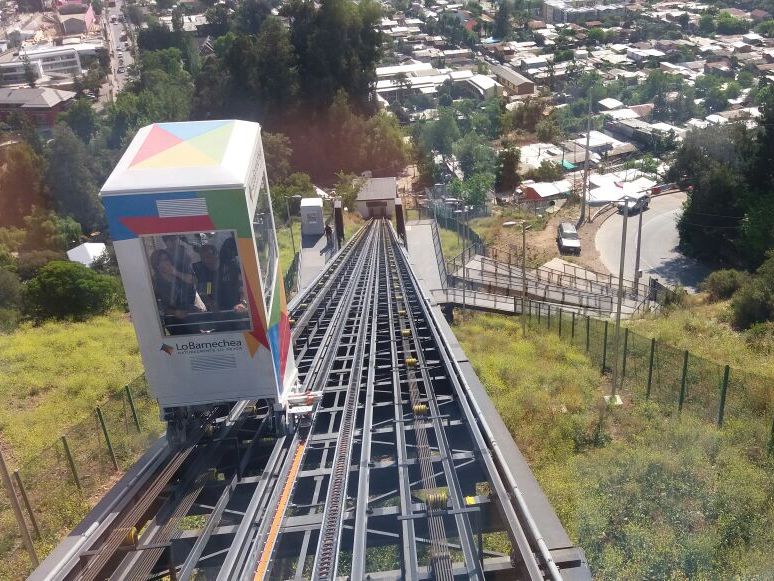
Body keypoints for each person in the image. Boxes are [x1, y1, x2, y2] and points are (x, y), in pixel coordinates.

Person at [150, 249, 203, 335]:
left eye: (166, 259)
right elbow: (157, 305)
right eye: (161, 261)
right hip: (172, 320)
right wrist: (174, 312)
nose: (165, 263)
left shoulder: (179, 273)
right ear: (156, 265)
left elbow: (194, 281)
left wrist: (175, 272)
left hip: (190, 315)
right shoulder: (155, 282)